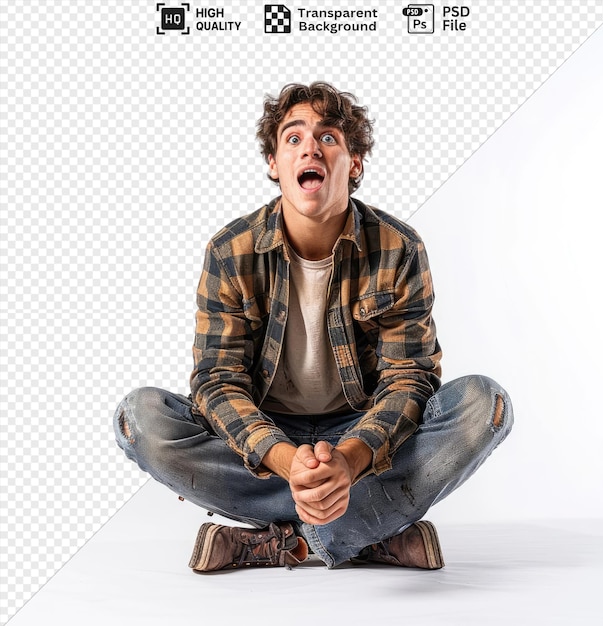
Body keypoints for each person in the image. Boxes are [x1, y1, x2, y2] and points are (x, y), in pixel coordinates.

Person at [114, 81, 513, 572]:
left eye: (329, 138)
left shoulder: (398, 247)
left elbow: (409, 377)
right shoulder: (230, 250)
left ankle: (284, 543)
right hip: (266, 438)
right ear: (274, 164)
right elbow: (217, 382)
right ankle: (364, 532)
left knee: (484, 405)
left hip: (360, 436)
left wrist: (348, 460)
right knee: (141, 419)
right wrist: (286, 460)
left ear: (355, 163)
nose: (311, 147)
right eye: (294, 138)